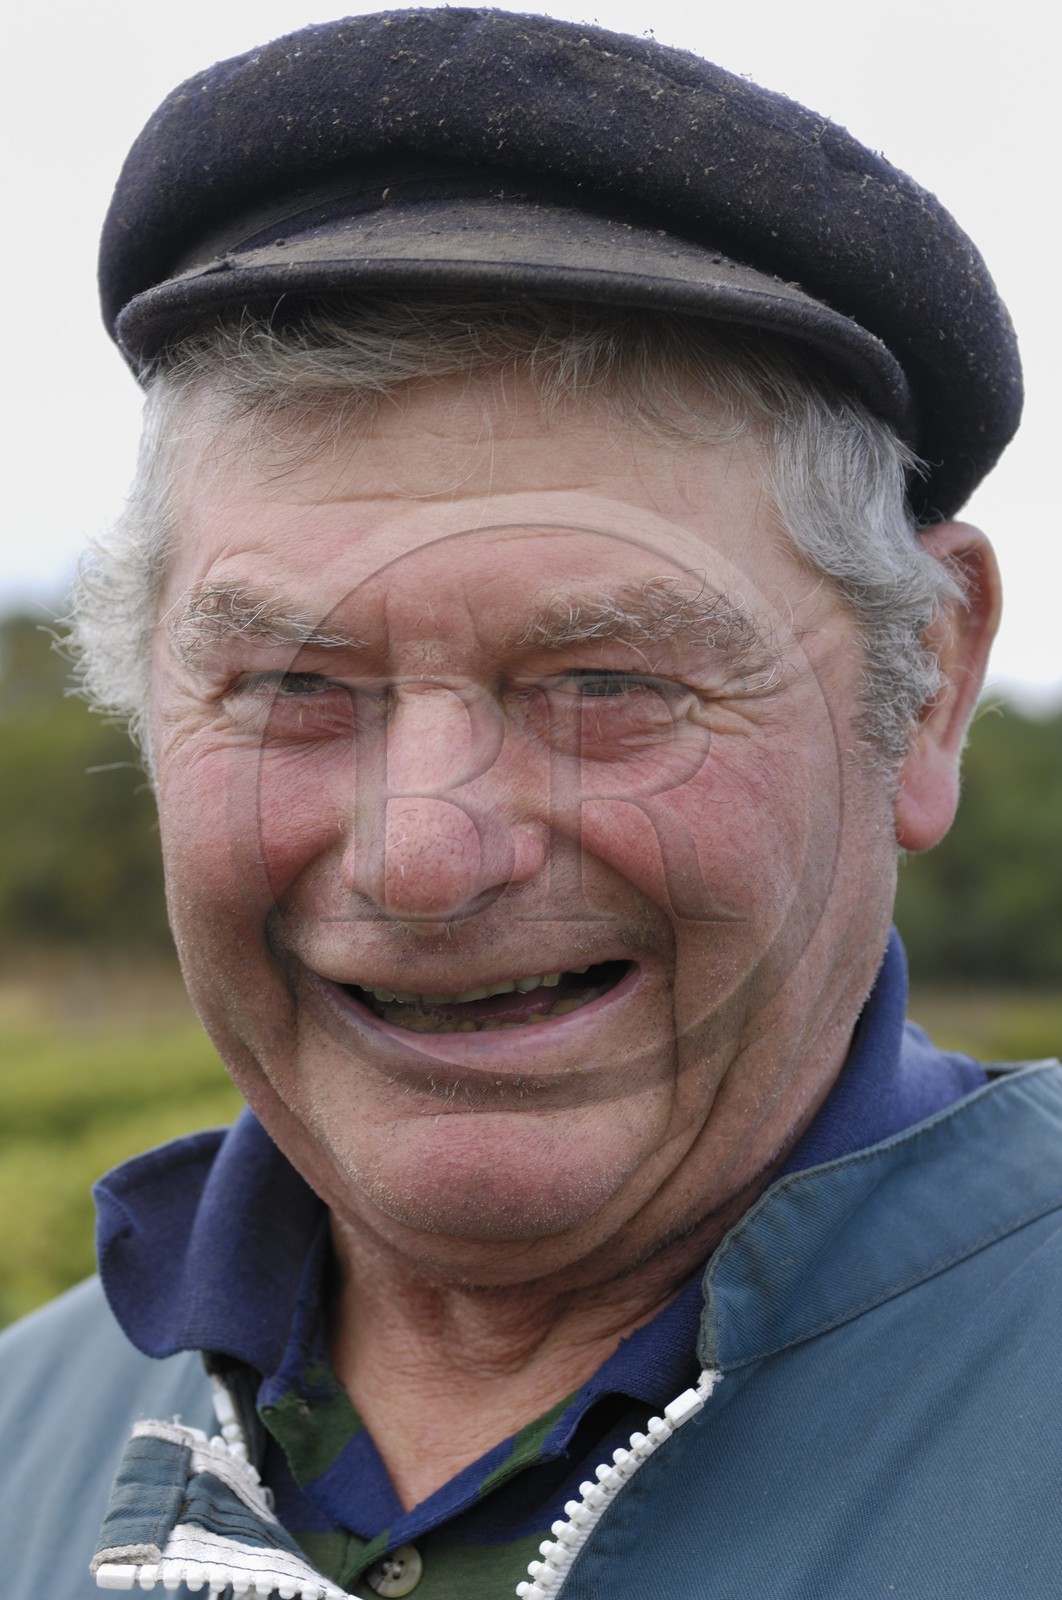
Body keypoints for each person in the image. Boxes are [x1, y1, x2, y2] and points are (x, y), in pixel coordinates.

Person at [2, 9, 1059, 1599]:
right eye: (294, 686)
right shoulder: (27, 1438)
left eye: (607, 685)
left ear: (921, 686)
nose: (422, 856)